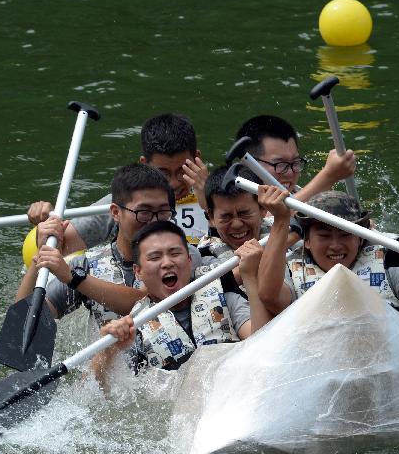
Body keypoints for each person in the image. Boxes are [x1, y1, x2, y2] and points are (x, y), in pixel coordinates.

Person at [91, 220, 271, 390]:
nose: (168, 263)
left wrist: (250, 277)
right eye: (154, 257)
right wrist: (109, 350)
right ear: (138, 272)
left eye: (175, 253)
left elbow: (263, 344)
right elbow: (101, 392)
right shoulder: (135, 329)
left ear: (189, 261)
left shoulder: (223, 296)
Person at [16, 163, 176, 328]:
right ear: (115, 212)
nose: (155, 222)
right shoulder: (85, 266)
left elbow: (144, 302)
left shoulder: (185, 257)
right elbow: (22, 323)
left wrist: (73, 278)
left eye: (164, 212)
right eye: (144, 212)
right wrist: (41, 258)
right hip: (108, 354)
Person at [256, 187, 399, 319]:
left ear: (360, 238)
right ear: (306, 241)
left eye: (345, 235)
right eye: (324, 235)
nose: (335, 245)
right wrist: (281, 221)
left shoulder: (385, 261)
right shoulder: (292, 270)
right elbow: (269, 297)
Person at [28, 113, 211, 250]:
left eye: (182, 172)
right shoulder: (124, 202)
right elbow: (61, 245)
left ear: (197, 159)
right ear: (144, 165)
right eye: (163, 174)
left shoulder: (220, 195)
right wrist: (47, 225)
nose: (173, 184)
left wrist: (210, 203)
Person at [235, 114, 356, 201]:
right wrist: (329, 175)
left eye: (295, 162)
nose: (290, 173)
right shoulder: (233, 202)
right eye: (280, 164)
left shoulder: (297, 192)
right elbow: (275, 217)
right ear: (248, 164)